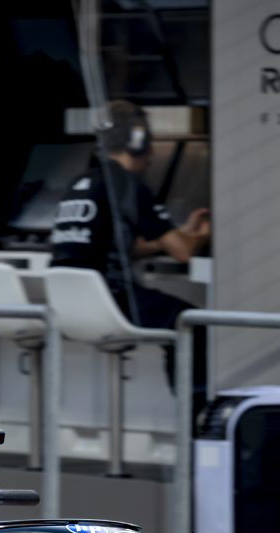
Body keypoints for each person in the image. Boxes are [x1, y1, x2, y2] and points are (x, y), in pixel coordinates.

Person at [50, 100, 211, 401]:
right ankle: (195, 421)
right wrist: (199, 236)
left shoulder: (80, 182)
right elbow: (183, 254)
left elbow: (123, 248)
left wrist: (177, 236)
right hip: (112, 300)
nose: (151, 154)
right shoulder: (126, 184)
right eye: (148, 142)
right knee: (194, 323)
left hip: (70, 307)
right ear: (138, 142)